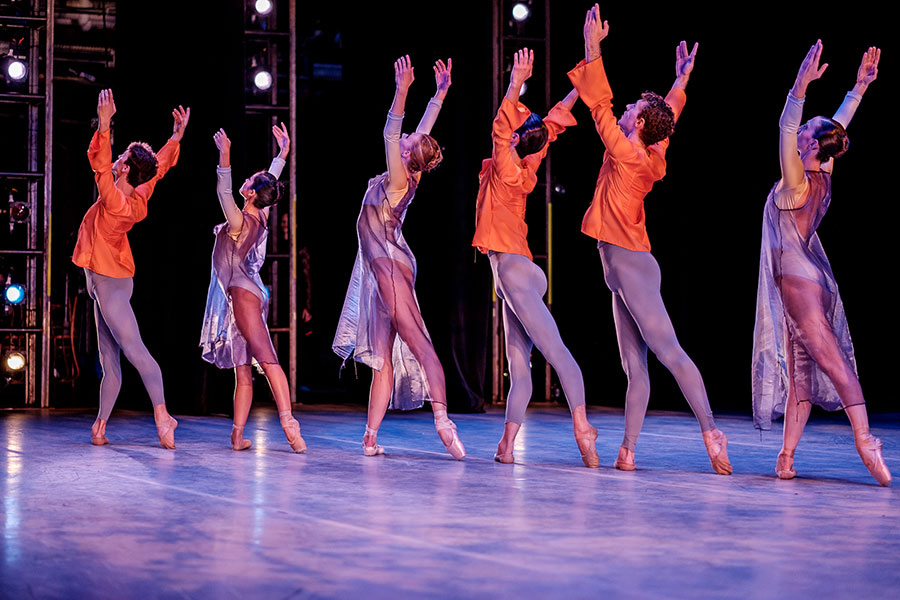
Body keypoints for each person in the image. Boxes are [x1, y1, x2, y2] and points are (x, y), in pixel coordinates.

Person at [568, 4, 731, 474]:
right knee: (634, 369)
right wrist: (681, 80)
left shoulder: (630, 155)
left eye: (632, 110)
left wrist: (592, 47)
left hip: (632, 264)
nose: (625, 110)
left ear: (638, 125)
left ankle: (711, 431)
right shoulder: (652, 144)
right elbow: (670, 113)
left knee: (668, 351)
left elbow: (599, 106)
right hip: (621, 270)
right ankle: (628, 451)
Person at [752, 42, 889, 486]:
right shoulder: (824, 172)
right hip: (808, 279)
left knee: (832, 362)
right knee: (801, 371)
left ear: (808, 144)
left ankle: (867, 442)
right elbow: (833, 128)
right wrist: (858, 89)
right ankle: (786, 455)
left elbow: (786, 123)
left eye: (805, 131)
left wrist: (799, 87)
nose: (800, 132)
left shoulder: (796, 182)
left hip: (799, 283)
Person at [472, 48, 599, 468]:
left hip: (515, 272)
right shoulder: (531, 154)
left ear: (513, 138)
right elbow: (554, 120)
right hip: (515, 274)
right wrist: (579, 86)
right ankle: (506, 446)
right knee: (518, 365)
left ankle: (583, 427)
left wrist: (515, 81)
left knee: (558, 354)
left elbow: (503, 125)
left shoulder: (508, 166)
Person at [333, 56, 465, 459]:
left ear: (407, 159)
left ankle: (444, 422)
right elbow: (418, 136)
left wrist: (403, 89)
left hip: (390, 264)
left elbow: (393, 135)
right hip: (382, 268)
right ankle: (370, 437)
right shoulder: (413, 167)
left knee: (419, 344)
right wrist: (439, 94)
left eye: (409, 142)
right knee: (382, 360)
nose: (409, 135)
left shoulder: (398, 178)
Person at [73, 89, 187, 449]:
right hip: (104, 279)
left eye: (120, 157)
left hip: (111, 284)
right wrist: (174, 137)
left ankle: (163, 416)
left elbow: (98, 165)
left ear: (122, 167)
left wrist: (105, 124)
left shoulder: (116, 200)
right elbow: (161, 167)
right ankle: (100, 427)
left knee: (135, 351)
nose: (117, 158)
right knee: (110, 360)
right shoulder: (141, 190)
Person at [200, 123, 306, 453]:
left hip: (244, 294)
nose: (247, 181)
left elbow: (223, 192)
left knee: (267, 360)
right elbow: (267, 187)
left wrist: (225, 156)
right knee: (242, 371)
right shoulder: (261, 212)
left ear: (248, 193)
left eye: (248, 182)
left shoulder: (240, 221)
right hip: (238, 294)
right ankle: (237, 436)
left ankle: (291, 427)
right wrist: (281, 156)